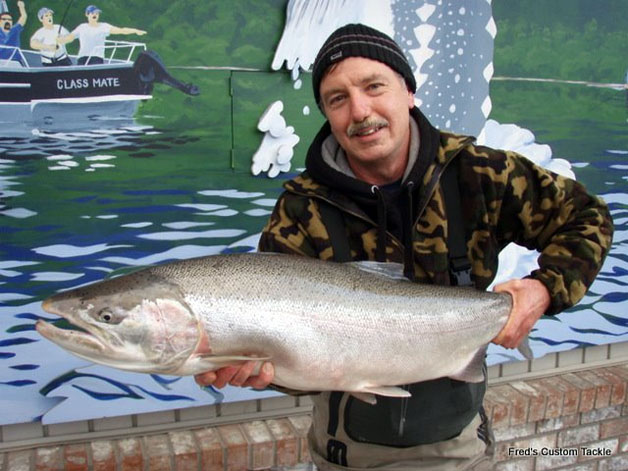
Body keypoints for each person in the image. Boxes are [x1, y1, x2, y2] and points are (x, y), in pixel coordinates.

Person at [195, 24, 614, 470]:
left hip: (458, 448)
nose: (360, 111)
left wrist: (544, 290)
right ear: (327, 114)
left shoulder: (478, 173)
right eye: (338, 99)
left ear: (409, 92)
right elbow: (300, 366)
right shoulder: (301, 208)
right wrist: (263, 371)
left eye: (374, 87)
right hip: (346, 453)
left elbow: (587, 217)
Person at [58, 5, 146, 65]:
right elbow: (70, 38)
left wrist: (135, 30)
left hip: (96, 58)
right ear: (87, 14)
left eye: (97, 13)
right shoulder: (82, 27)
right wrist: (61, 40)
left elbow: (121, 30)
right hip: (83, 57)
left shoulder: (104, 26)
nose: (95, 15)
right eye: (92, 13)